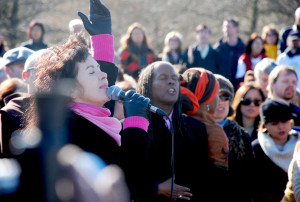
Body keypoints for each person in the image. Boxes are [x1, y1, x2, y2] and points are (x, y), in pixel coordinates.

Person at [129, 61, 210, 201]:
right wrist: (155, 188)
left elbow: (204, 180)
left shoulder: (196, 128)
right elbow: (126, 177)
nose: (172, 82)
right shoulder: (133, 127)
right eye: (163, 78)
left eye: (174, 78)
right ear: (147, 85)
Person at [180, 67, 229, 201]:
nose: (218, 100)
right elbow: (218, 180)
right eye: (216, 95)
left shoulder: (176, 118)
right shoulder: (213, 131)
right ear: (205, 99)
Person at [213, 74, 254, 202]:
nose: (221, 102)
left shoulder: (242, 135)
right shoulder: (194, 131)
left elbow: (248, 180)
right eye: (216, 96)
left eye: (226, 97)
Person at [252, 99, 300, 202]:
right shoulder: (256, 148)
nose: (281, 127)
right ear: (265, 125)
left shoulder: (299, 145)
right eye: (275, 123)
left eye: (285, 121)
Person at [214, 17, 245, 89]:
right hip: (221, 87)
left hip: (238, 87)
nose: (225, 29)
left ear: (236, 28)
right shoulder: (218, 48)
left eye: (228, 27)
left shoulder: (243, 48)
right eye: (224, 27)